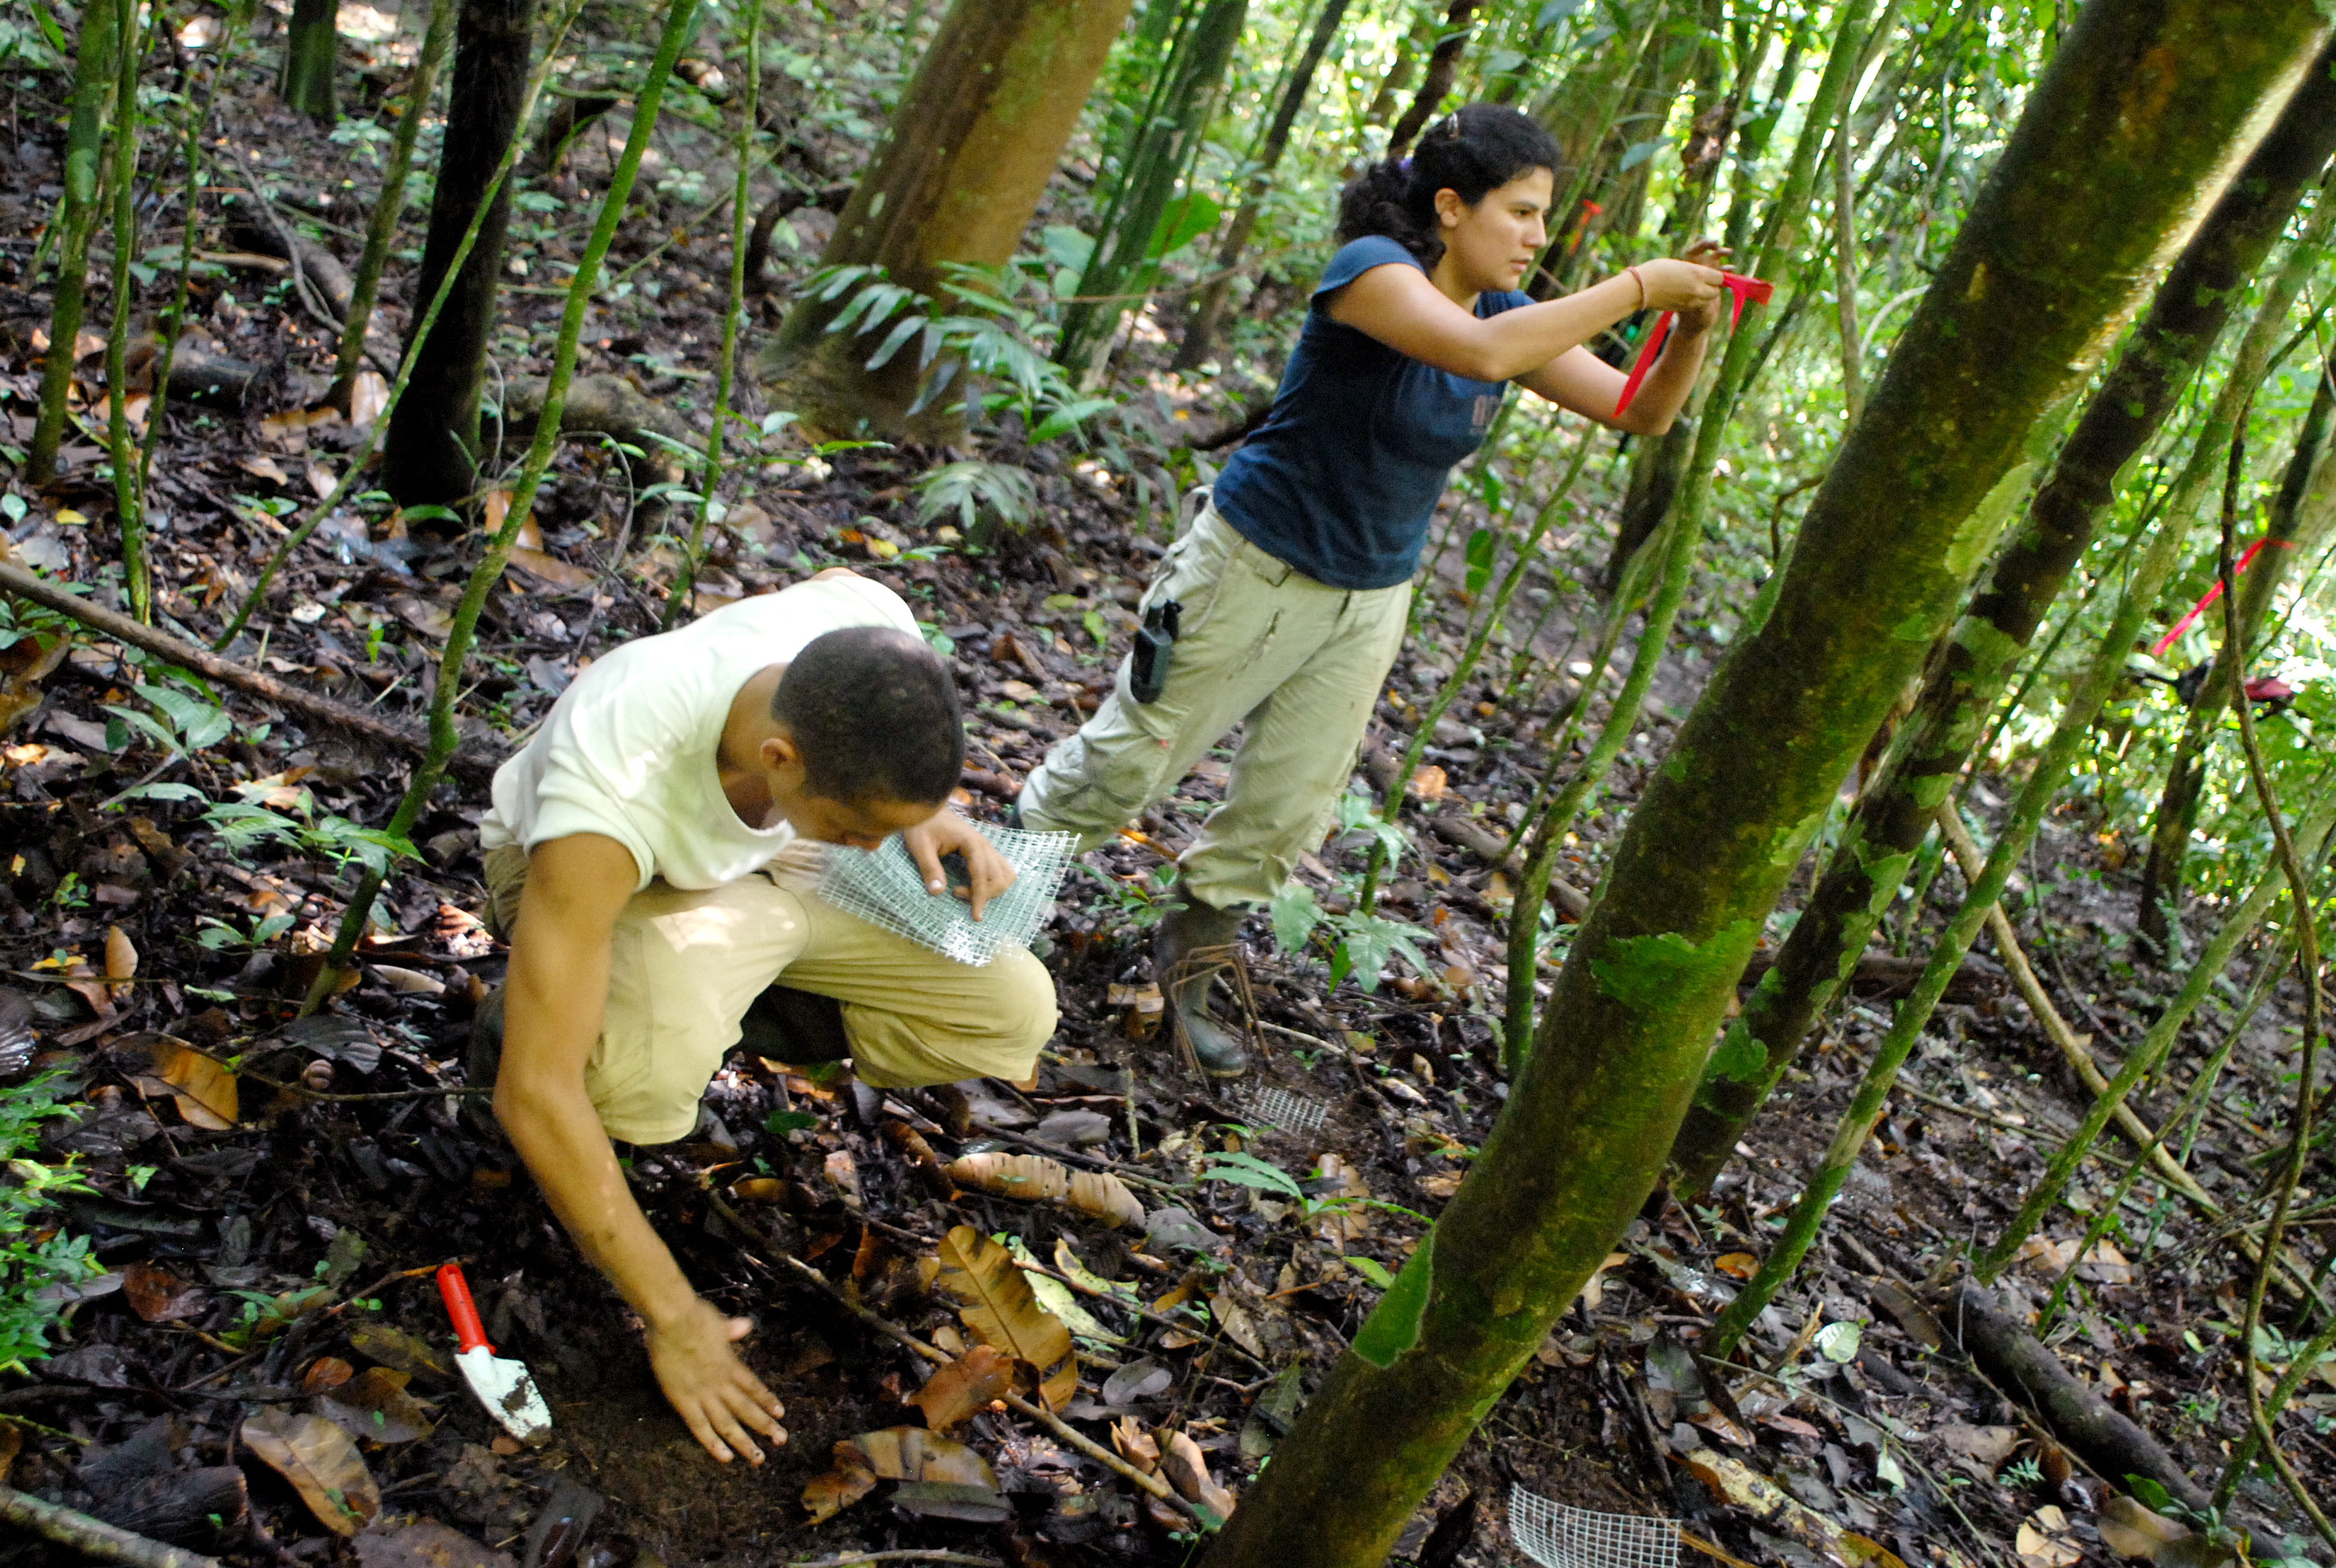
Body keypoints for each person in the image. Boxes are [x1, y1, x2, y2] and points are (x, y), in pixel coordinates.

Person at [1018, 104, 1725, 1076]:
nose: (1534, 236)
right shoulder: (1372, 274)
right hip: (1253, 565)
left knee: (1286, 804)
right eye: (1518, 212)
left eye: (1543, 218)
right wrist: (1642, 283)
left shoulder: (1507, 317)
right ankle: (984, 884)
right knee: (1131, 760)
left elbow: (1638, 410)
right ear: (1450, 206)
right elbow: (1480, 359)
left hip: (1368, 597)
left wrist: (1689, 324)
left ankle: (1191, 957)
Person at [473, 568, 1056, 1465]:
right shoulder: (616, 781)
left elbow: (848, 615)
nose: (875, 845)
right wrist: (673, 1316)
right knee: (624, 1084)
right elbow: (534, 1093)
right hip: (617, 884)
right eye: (858, 825)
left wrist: (927, 818)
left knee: (1011, 1007)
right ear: (780, 760)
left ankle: (724, 993)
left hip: (769, 880)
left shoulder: (860, 635)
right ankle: (569, 1010)